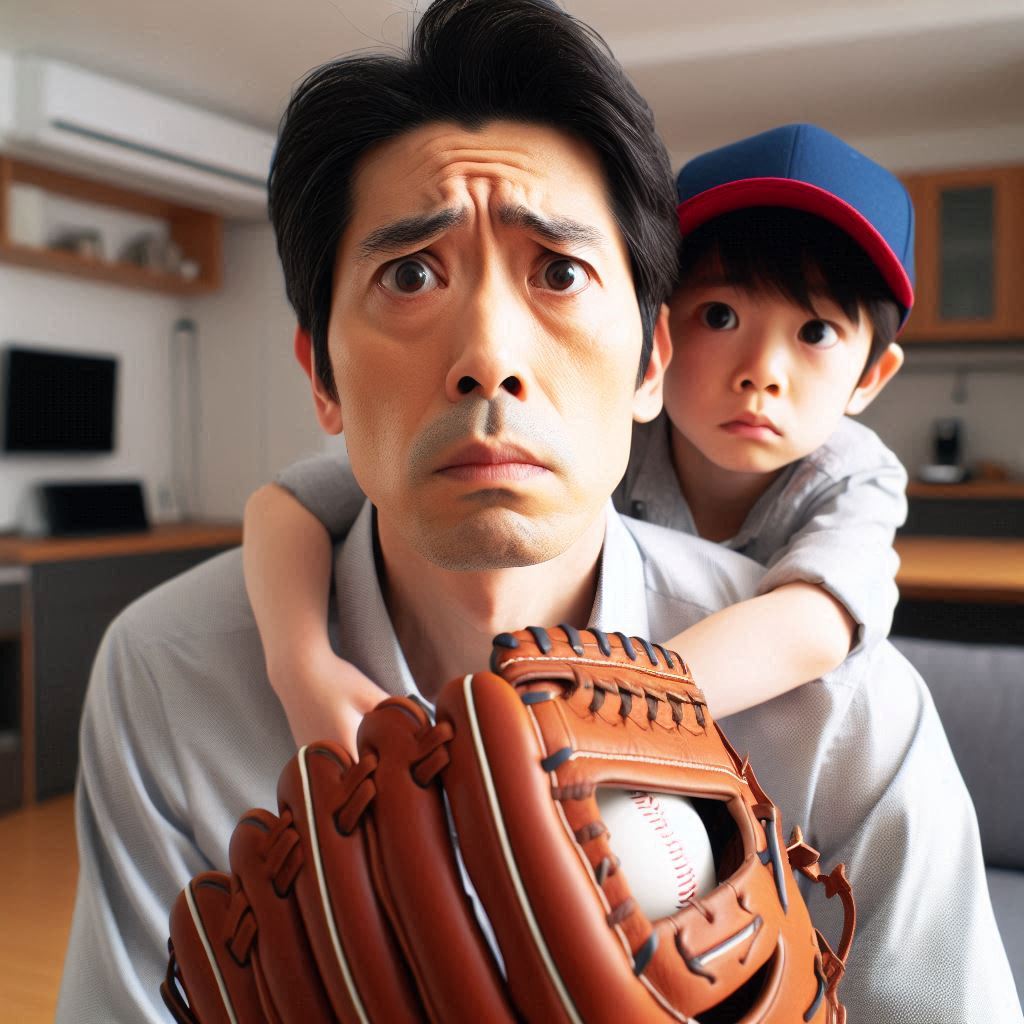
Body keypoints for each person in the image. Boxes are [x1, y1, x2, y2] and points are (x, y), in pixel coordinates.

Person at [56, 2, 1020, 1022]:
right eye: (410, 273)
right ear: (323, 376)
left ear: (649, 361)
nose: (490, 358)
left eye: (558, 271)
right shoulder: (166, 674)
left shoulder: (845, 707)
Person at [243, 123, 910, 752]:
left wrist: (593, 720)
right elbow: (290, 502)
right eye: (720, 315)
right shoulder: (593, 428)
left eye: (816, 332)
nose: (761, 372)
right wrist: (300, 663)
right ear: (654, 338)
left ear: (872, 378)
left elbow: (816, 625)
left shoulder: (853, 477)